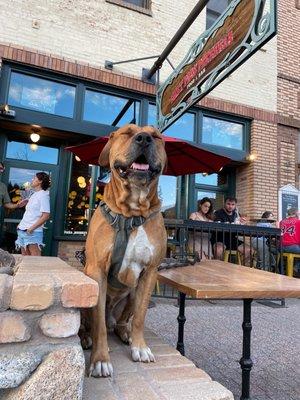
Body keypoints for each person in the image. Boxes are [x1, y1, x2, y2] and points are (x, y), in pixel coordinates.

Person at [15, 172, 51, 256]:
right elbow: (30, 213)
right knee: (24, 260)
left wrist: (31, 228)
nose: (32, 180)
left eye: (34, 178)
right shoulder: (33, 194)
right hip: (22, 230)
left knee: (35, 261)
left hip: (32, 232)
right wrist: (20, 224)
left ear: (40, 181)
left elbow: (46, 215)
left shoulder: (44, 195)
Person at [212, 196, 252, 266]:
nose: (230, 206)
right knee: (218, 250)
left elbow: (240, 229)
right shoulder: (218, 213)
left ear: (235, 205)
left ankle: (244, 271)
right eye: (228, 204)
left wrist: (243, 224)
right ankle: (218, 270)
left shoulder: (237, 215)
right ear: (224, 204)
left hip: (233, 239)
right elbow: (217, 227)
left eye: (233, 204)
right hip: (219, 239)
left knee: (248, 250)